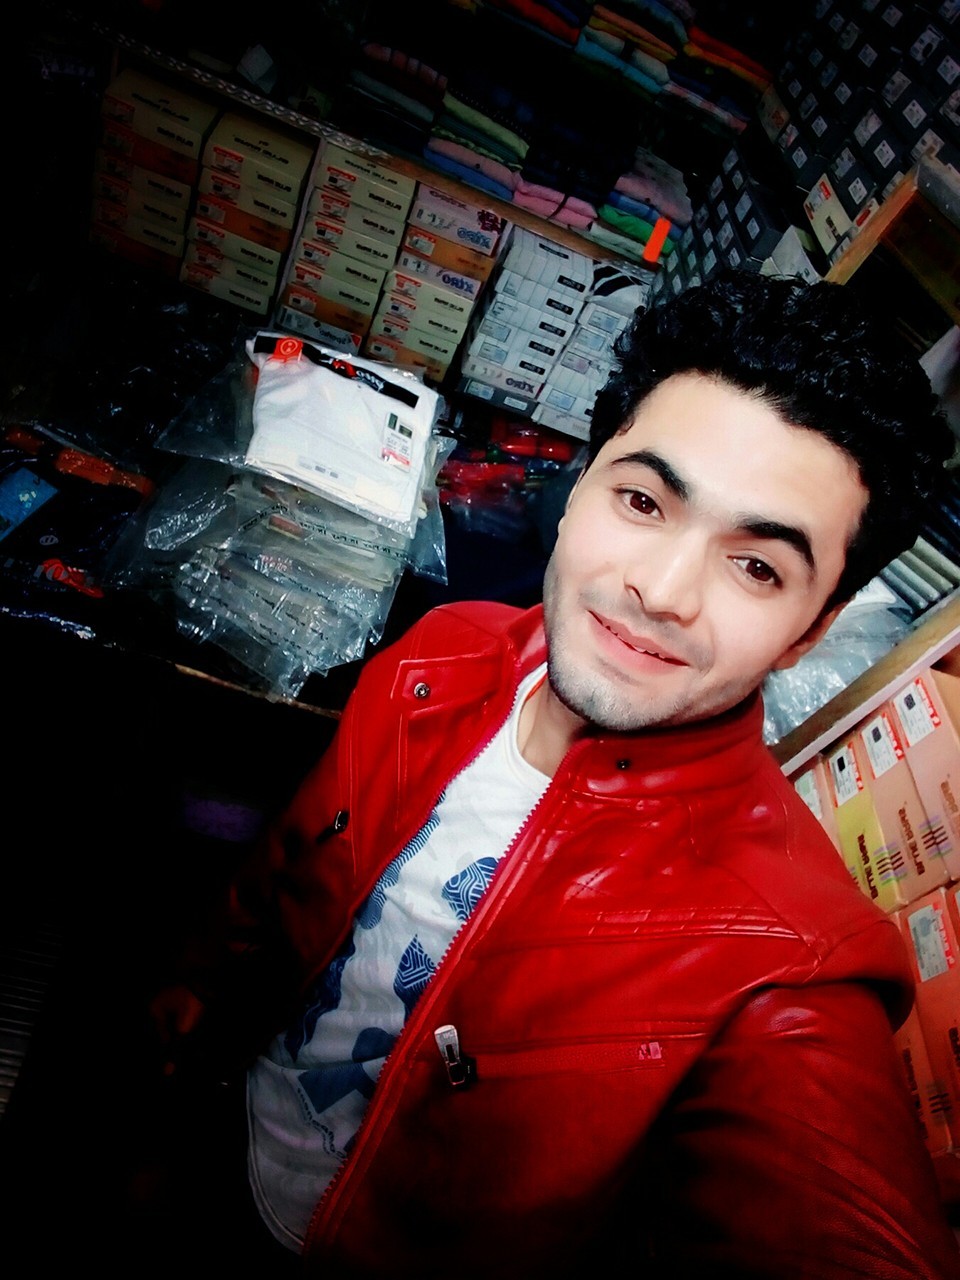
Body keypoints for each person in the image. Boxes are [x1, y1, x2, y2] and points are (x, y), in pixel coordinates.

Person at [151, 269, 960, 1278]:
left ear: (811, 631)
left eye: (758, 566)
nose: (660, 590)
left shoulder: (786, 968)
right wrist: (194, 997)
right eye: (643, 500)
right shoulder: (444, 652)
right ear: (578, 489)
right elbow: (291, 866)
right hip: (214, 1132)